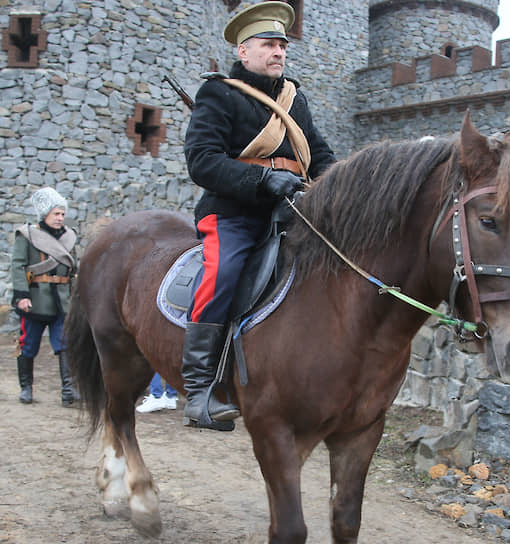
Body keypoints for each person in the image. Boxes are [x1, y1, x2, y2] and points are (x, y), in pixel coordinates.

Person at [182, 1, 336, 430]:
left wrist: (338, 188)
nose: (279, 52)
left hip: (292, 212)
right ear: (243, 50)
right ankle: (200, 390)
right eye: (269, 44)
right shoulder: (219, 93)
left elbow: (319, 154)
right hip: (233, 214)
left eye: (282, 46)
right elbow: (203, 161)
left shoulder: (293, 98)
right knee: (223, 271)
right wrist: (262, 182)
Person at [11, 187, 78, 406]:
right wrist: (21, 295)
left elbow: (73, 270)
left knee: (65, 345)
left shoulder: (69, 237)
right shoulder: (27, 235)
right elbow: (18, 266)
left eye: (62, 214)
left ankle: (68, 390)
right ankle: (26, 388)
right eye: (56, 214)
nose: (60, 218)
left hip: (62, 301)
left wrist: (76, 297)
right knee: (28, 345)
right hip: (36, 299)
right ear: (45, 214)